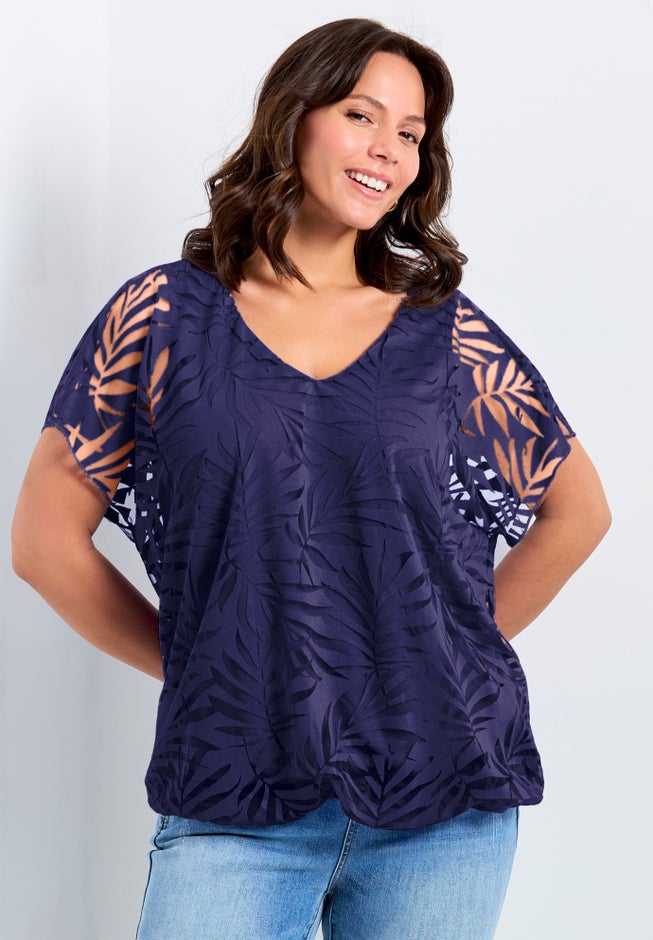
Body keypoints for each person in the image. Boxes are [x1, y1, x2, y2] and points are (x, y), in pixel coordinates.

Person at [11, 17, 611, 940]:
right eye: (361, 116)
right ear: (292, 117)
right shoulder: (162, 317)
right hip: (233, 796)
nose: (388, 150)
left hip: (443, 801)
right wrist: (207, 662)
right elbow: (43, 542)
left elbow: (577, 511)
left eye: (410, 133)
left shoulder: (446, 333)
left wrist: (436, 653)